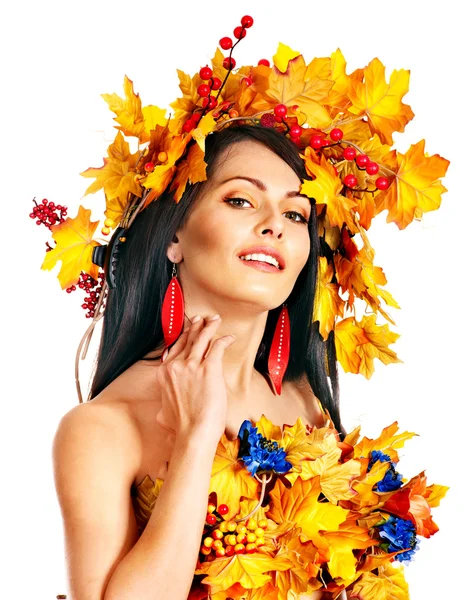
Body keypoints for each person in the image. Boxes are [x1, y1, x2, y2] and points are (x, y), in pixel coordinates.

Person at [52, 124, 344, 600]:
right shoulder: (102, 428)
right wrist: (195, 439)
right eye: (241, 201)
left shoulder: (306, 405)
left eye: (295, 213)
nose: (276, 225)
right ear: (175, 237)